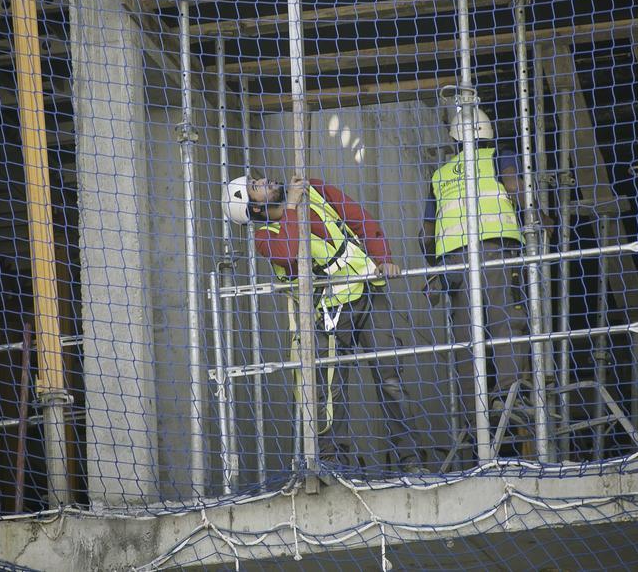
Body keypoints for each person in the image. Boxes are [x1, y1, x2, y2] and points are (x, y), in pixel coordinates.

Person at [224, 173, 425, 473]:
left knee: (390, 377)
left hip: (368, 289)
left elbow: (359, 219)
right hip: (330, 312)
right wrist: (292, 205)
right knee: (331, 390)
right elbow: (289, 252)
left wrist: (382, 257)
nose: (265, 179)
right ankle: (336, 462)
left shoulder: (314, 189)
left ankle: (409, 460)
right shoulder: (264, 238)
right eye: (256, 186)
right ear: (253, 210)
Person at [420, 103, 531, 451]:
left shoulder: (440, 175)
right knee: (504, 325)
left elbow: (425, 234)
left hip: (453, 262)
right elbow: (518, 191)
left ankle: (474, 416)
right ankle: (512, 400)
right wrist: (538, 218)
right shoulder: (501, 157)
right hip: (496, 251)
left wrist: (437, 266)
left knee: (468, 340)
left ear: (454, 140)